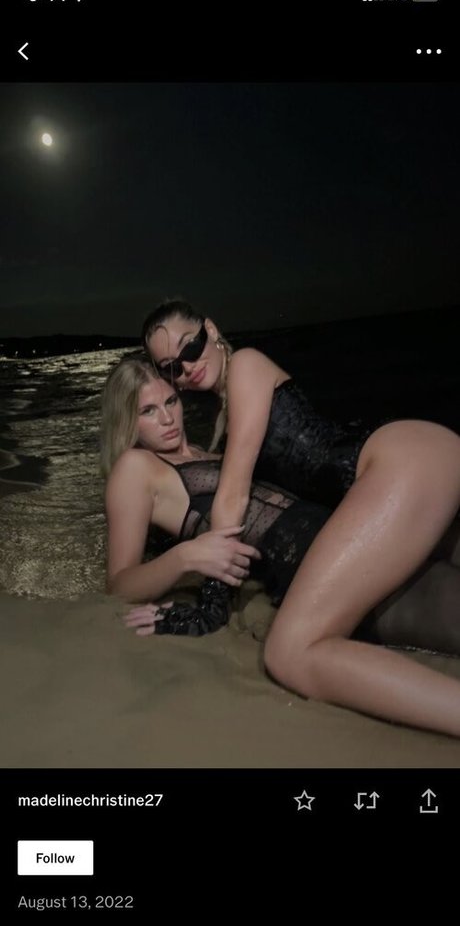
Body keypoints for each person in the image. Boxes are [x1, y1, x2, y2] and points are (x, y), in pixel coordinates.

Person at [142, 300, 460, 734]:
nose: (188, 367)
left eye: (191, 347)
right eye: (171, 367)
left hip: (399, 464)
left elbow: (233, 494)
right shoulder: (226, 416)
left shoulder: (246, 365)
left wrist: (212, 603)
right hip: (412, 468)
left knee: (290, 651)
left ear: (211, 330)